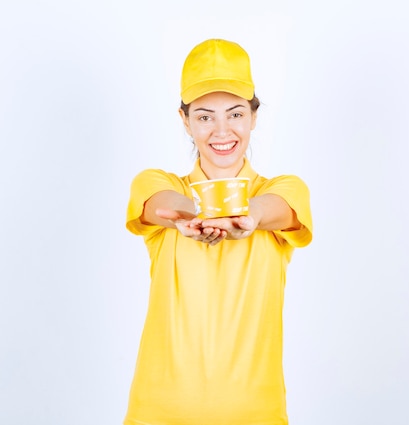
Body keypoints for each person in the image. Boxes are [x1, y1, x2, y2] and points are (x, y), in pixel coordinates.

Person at [123, 38, 313, 425]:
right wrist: (192, 215)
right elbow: (160, 203)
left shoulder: (282, 191)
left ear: (254, 117)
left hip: (256, 414)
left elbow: (274, 210)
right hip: (158, 413)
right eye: (205, 116)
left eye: (235, 114)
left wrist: (250, 217)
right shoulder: (158, 184)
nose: (221, 130)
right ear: (185, 120)